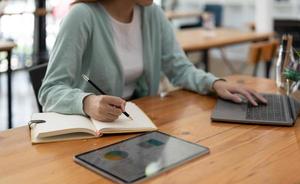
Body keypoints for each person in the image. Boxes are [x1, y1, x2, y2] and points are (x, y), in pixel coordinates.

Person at [39, 0, 267, 122]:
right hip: (95, 130)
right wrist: (87, 102)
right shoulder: (82, 16)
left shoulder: (153, 14)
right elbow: (50, 91)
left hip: (138, 121)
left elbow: (179, 68)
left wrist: (214, 83)